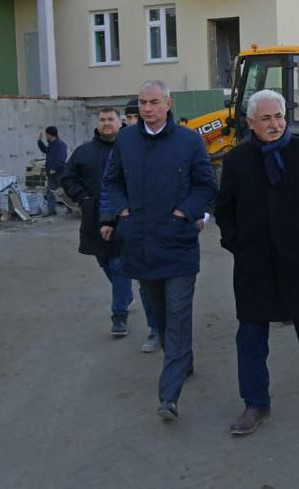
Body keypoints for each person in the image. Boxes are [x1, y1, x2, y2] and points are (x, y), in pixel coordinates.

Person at [216, 90, 299, 436]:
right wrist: (237, 243)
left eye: (279, 116)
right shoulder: (237, 159)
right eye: (266, 118)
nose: (275, 124)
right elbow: (224, 208)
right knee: (250, 334)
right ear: (251, 122)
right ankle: (256, 402)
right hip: (254, 262)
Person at [101, 80, 217, 422]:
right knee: (162, 316)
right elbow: (112, 182)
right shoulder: (125, 140)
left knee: (178, 314)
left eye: (153, 102)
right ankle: (184, 360)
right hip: (140, 245)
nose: (147, 108)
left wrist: (185, 213)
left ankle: (169, 395)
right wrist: (121, 212)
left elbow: (206, 186)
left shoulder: (189, 141)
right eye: (142, 102)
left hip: (178, 245)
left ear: (168, 104)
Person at [61, 107, 159, 350]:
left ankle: (119, 316)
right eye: (102, 119)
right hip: (95, 219)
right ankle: (125, 296)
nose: (106, 123)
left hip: (126, 218)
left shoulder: (131, 148)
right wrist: (83, 198)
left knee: (118, 266)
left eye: (111, 119)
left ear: (120, 122)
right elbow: (68, 177)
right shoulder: (84, 152)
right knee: (105, 262)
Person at [37, 126, 67, 216]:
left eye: (46, 134)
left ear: (50, 134)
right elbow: (45, 150)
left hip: (59, 173)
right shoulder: (51, 144)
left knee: (65, 191)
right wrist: (39, 141)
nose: (45, 136)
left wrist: (54, 168)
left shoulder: (61, 145)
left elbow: (61, 159)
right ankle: (51, 211)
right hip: (50, 173)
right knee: (50, 192)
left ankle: (71, 208)